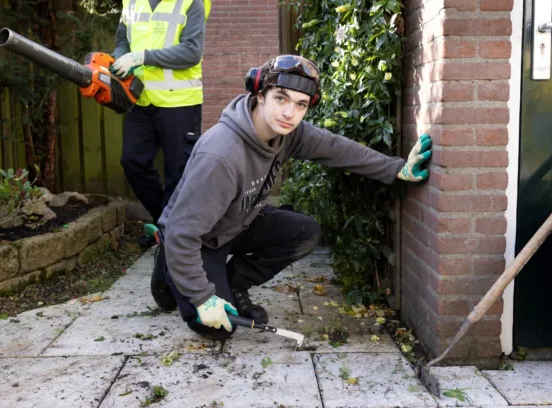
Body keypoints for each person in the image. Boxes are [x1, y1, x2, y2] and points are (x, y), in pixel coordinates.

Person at [153, 55, 432, 340]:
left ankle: (235, 281)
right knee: (217, 328)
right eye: (281, 99)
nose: (289, 113)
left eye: (300, 104)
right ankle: (167, 267)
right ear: (260, 95)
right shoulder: (221, 156)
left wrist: (397, 169)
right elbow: (183, 233)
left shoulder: (286, 133)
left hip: (237, 221)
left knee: (304, 232)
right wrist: (203, 297)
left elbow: (336, 148)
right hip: (197, 239)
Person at [111, 0, 211, 249]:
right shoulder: (132, 2)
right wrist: (118, 57)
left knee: (178, 172)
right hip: (141, 99)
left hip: (179, 101)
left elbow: (191, 52)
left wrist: (141, 57)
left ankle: (172, 235)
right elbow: (123, 39)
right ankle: (163, 224)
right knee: (132, 161)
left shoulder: (191, 3)